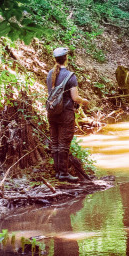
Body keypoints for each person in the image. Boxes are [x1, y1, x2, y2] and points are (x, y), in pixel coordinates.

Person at [47, 47, 90, 182]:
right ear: (66, 58)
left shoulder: (50, 74)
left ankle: (58, 173)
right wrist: (85, 101)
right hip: (66, 114)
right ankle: (64, 173)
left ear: (55, 59)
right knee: (64, 143)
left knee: (55, 142)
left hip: (52, 112)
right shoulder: (71, 76)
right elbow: (75, 98)